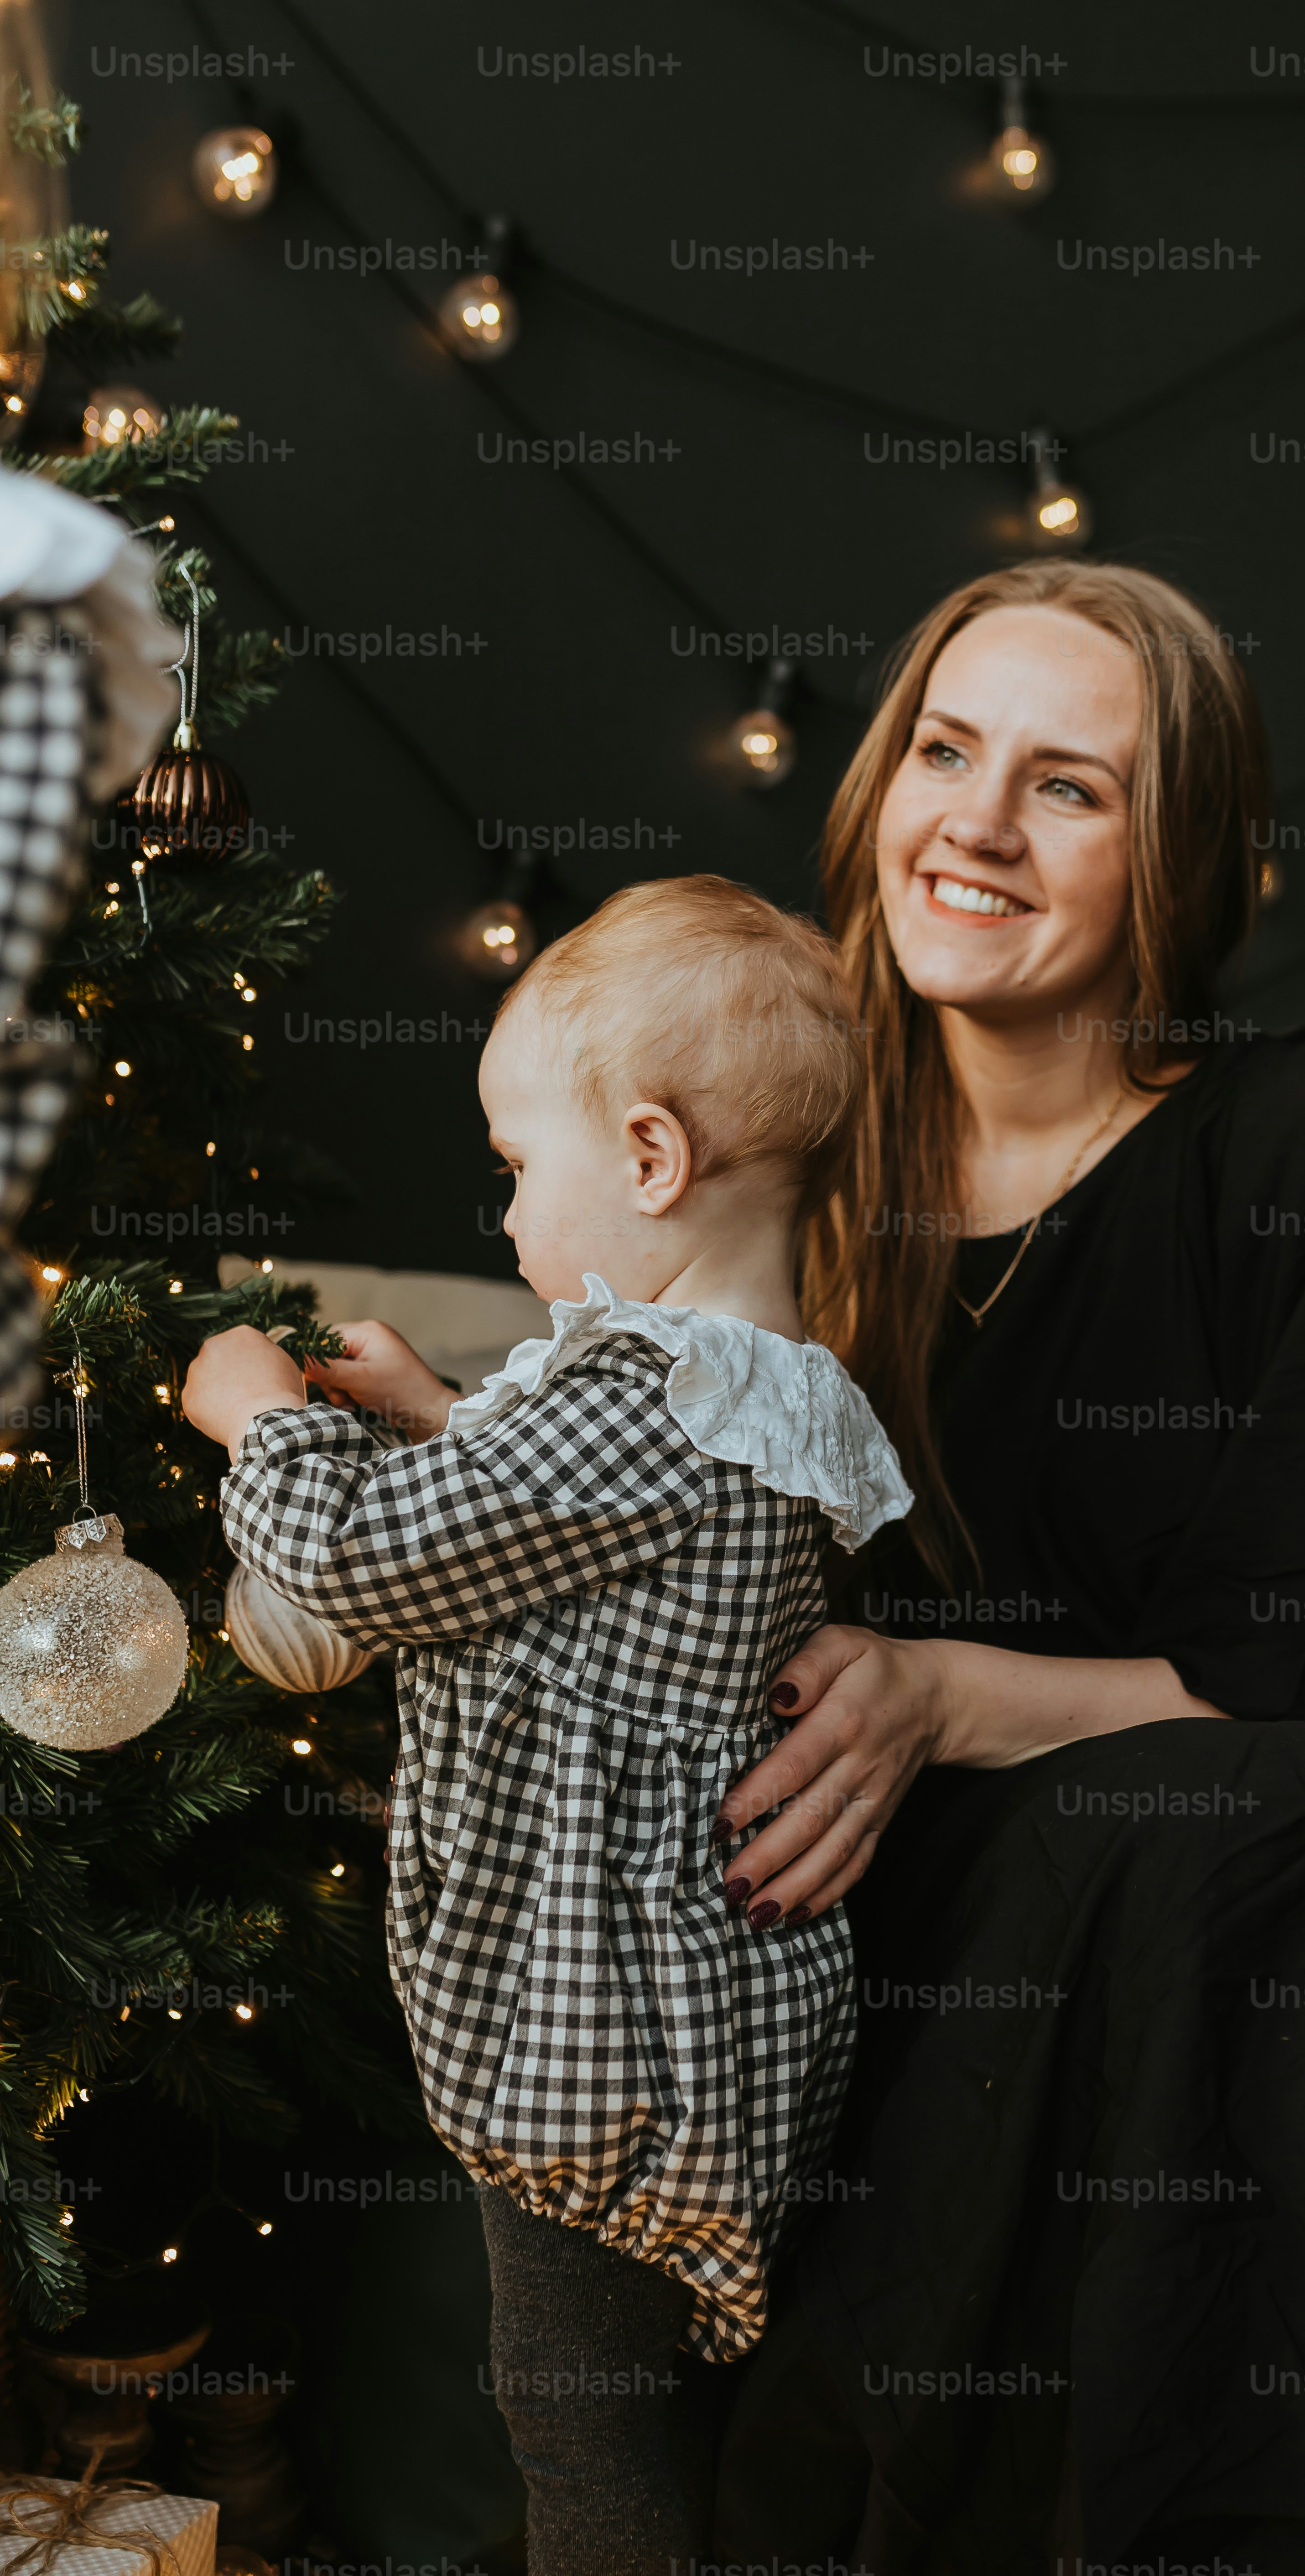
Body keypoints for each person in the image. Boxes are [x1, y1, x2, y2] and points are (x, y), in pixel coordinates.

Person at [707, 562, 1305, 2574]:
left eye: (1070, 787)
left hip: (1212, 1854)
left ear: (1182, 860)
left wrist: (957, 1693)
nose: (973, 823)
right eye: (946, 752)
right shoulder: (770, 1148)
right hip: (852, 1908)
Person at [182, 876, 912, 2576]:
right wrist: (439, 1411)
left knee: (568, 2420)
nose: (507, 1215)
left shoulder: (642, 1394)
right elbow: (578, 1574)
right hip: (689, 2021)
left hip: (596, 2042)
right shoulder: (757, 1391)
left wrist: (258, 1415)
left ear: (652, 1162)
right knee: (621, 2410)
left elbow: (372, 1562)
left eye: (521, 1169)